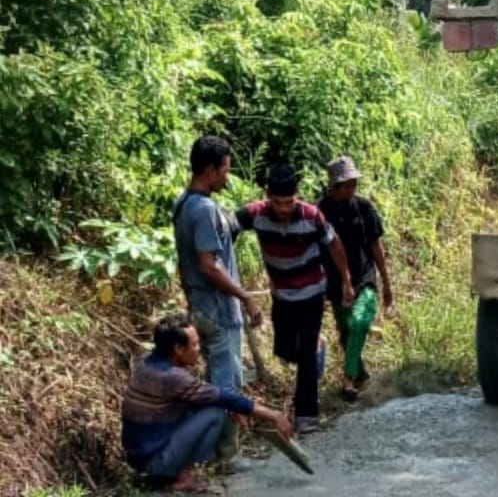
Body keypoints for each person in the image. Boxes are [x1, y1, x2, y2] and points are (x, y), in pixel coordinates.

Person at [234, 163, 355, 434]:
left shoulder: (312, 216)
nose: (285, 209)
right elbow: (226, 226)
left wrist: (346, 280)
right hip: (282, 295)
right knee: (285, 351)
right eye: (278, 203)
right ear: (268, 197)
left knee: (305, 355)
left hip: (312, 292)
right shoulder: (257, 214)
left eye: (289, 202)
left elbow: (335, 245)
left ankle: (306, 416)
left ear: (297, 196)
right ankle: (318, 347)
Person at [122, 313, 292, 494]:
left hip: (140, 459)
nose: (199, 348)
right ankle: (183, 478)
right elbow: (224, 398)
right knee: (216, 411)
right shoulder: (173, 377)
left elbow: (202, 396)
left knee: (215, 404)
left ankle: (173, 472)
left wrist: (231, 404)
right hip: (156, 463)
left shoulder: (148, 362)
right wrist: (274, 415)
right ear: (178, 349)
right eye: (194, 344)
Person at [172, 137, 263, 415]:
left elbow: (184, 262)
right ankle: (227, 455)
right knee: (226, 386)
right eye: (225, 170)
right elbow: (209, 265)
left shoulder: (182, 204)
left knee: (218, 380)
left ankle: (224, 449)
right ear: (210, 171)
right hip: (218, 311)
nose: (227, 177)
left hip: (201, 306)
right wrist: (244, 296)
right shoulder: (205, 210)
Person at [318, 156, 393, 402]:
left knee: (360, 322)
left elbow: (375, 245)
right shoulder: (320, 211)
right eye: (346, 185)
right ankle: (361, 375)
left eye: (353, 184)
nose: (351, 190)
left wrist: (386, 280)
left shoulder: (364, 208)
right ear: (334, 187)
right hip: (335, 281)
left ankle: (348, 378)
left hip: (365, 277)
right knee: (345, 331)